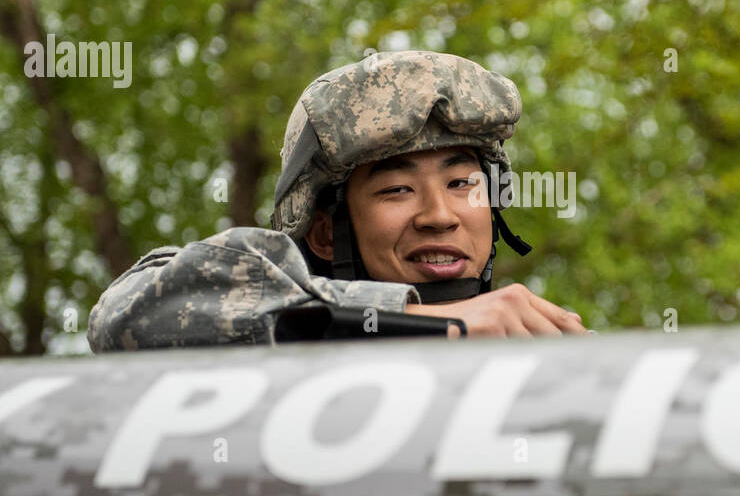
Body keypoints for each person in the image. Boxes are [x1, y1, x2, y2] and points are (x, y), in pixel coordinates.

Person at [87, 50, 587, 350]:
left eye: (462, 184)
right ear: (327, 232)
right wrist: (417, 322)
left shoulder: (538, 347)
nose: (440, 216)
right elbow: (125, 315)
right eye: (397, 190)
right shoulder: (286, 348)